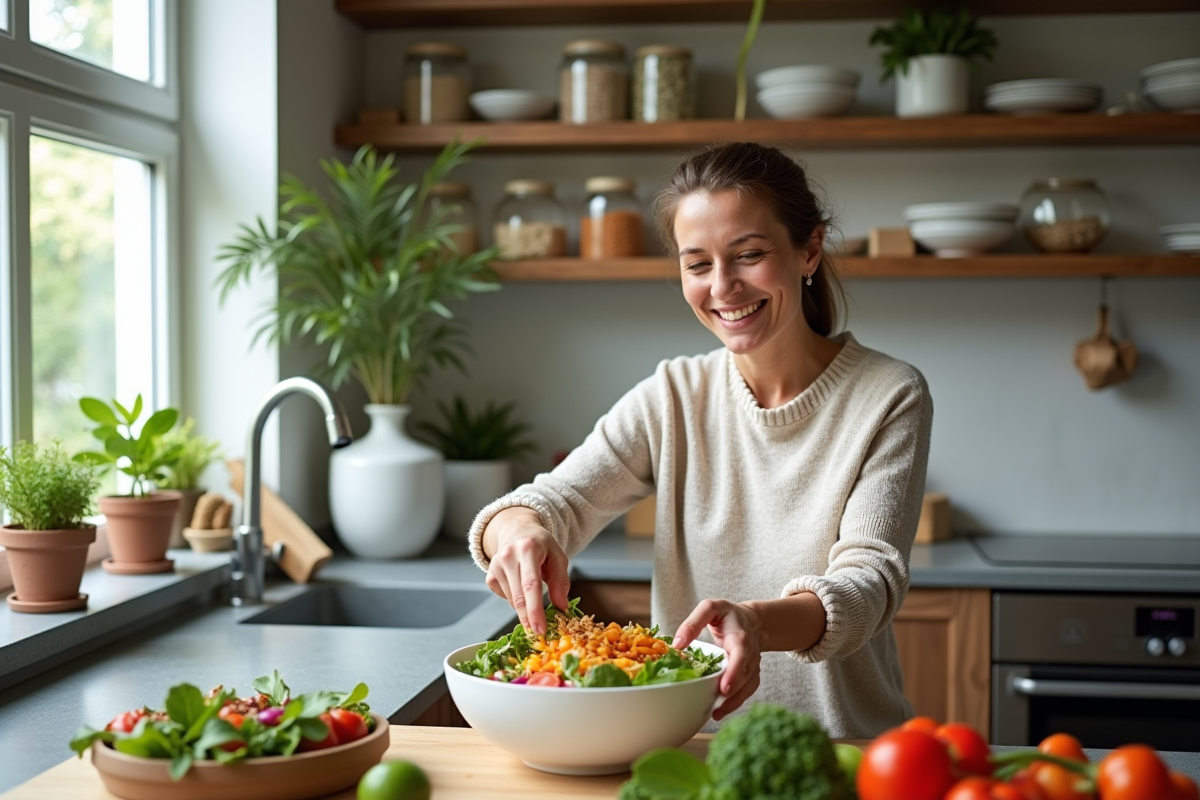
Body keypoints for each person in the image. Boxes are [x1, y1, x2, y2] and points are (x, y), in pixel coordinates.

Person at [466, 141, 933, 739]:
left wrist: (758, 624)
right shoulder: (672, 396)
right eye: (697, 264)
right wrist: (521, 530)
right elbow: (557, 500)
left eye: (750, 254)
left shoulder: (888, 394)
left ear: (809, 249)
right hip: (689, 752)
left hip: (842, 749)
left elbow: (868, 584)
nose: (723, 287)